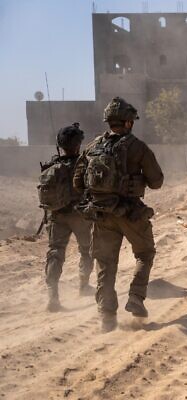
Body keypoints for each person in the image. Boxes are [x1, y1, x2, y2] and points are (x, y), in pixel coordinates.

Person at [73, 97, 164, 332]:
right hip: (130, 213)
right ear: (128, 122)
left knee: (105, 264)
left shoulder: (92, 147)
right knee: (145, 253)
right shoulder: (137, 147)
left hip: (102, 215)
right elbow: (157, 182)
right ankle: (136, 297)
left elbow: (77, 182)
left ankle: (107, 317)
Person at [38, 123, 94, 312]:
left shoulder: (51, 166)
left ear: (60, 145)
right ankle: (84, 286)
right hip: (80, 216)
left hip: (56, 216)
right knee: (87, 250)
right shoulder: (84, 164)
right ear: (78, 144)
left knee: (55, 253)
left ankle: (53, 297)